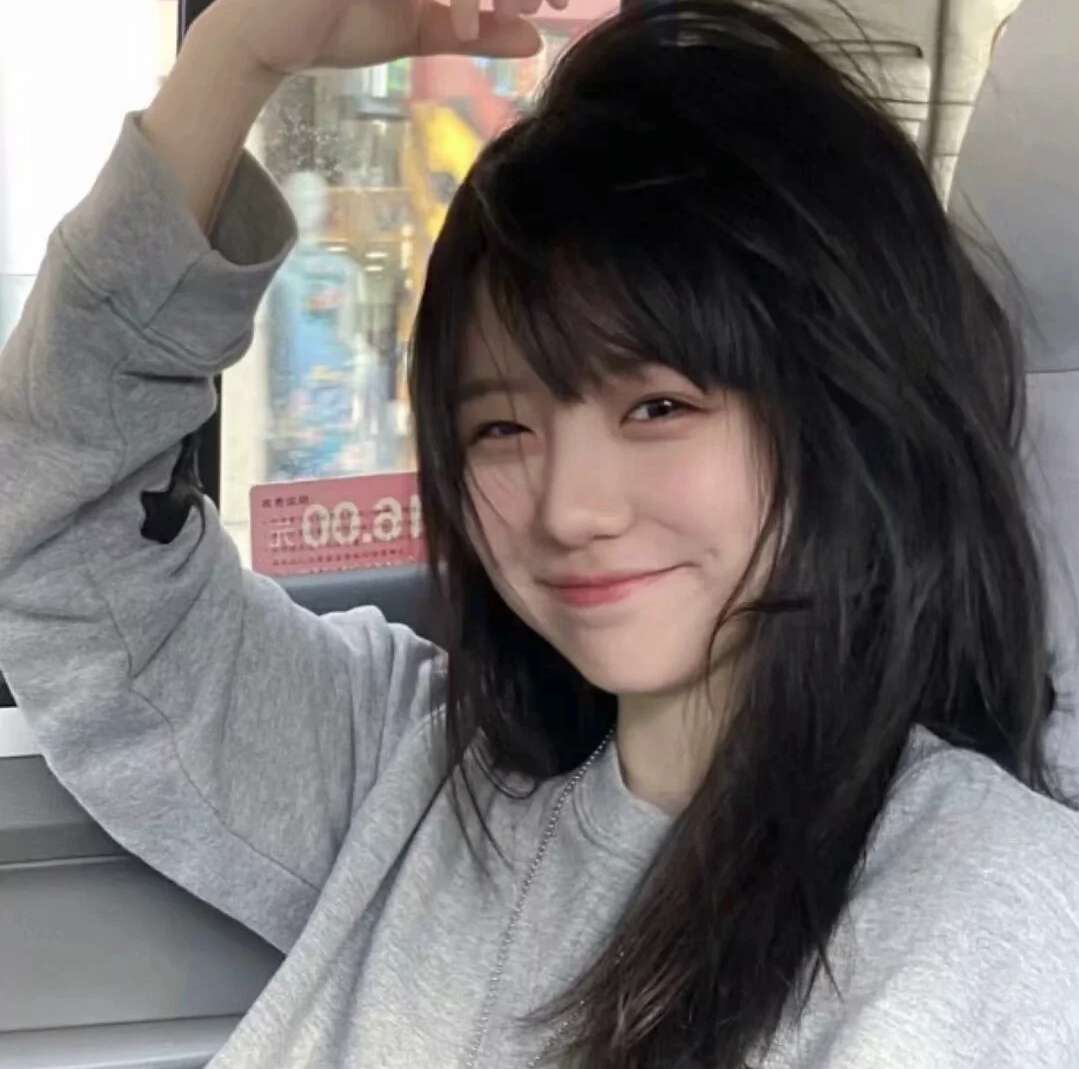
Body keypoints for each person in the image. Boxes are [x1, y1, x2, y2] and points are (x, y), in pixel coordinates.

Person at [0, 0, 1077, 1066]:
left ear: (844, 406)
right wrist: (231, 61)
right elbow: (68, 545)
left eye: (656, 406)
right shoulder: (419, 769)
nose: (568, 508)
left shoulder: (981, 918)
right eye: (501, 427)